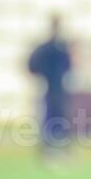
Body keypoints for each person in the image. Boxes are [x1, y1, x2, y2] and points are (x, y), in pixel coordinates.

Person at [27, 15, 74, 160]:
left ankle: (56, 149)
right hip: (50, 88)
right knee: (50, 118)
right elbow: (33, 65)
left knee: (57, 118)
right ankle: (49, 149)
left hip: (58, 88)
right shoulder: (50, 48)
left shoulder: (57, 47)